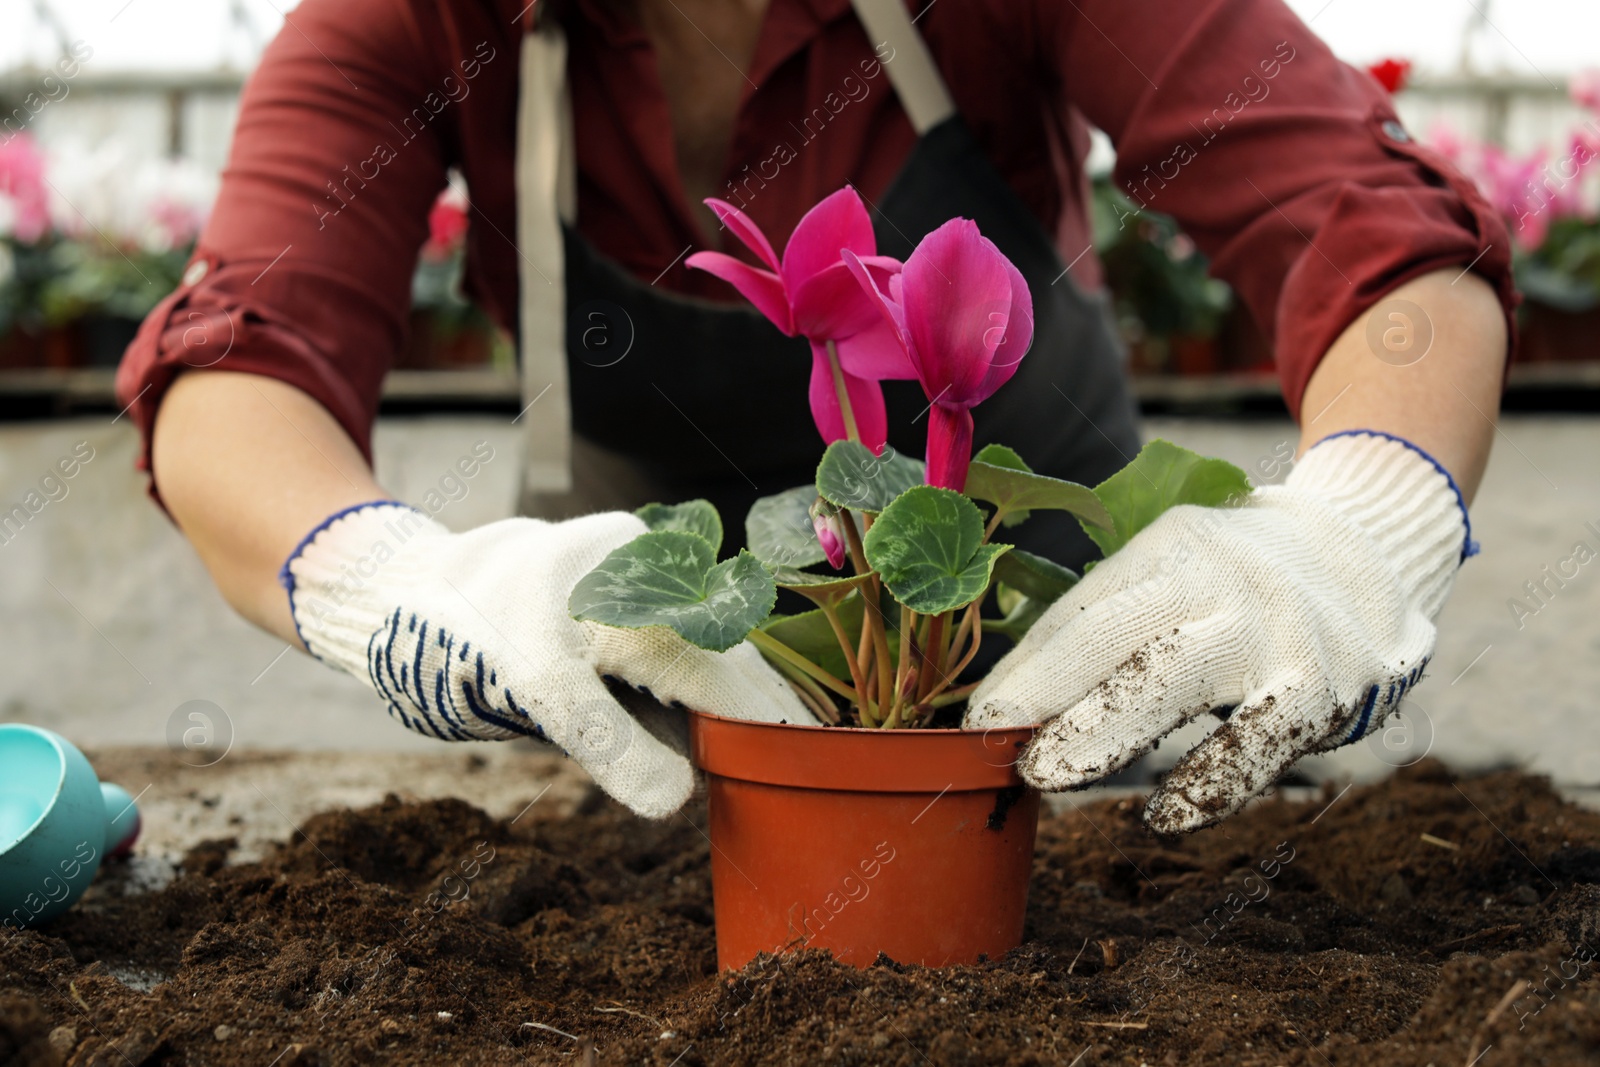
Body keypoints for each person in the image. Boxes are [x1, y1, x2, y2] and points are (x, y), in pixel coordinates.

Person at [116, 0, 1513, 832]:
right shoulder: (425, 17)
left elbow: (1371, 227)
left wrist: (1361, 528)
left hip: (1092, 729)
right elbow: (246, 354)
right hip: (643, 771)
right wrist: (393, 582)